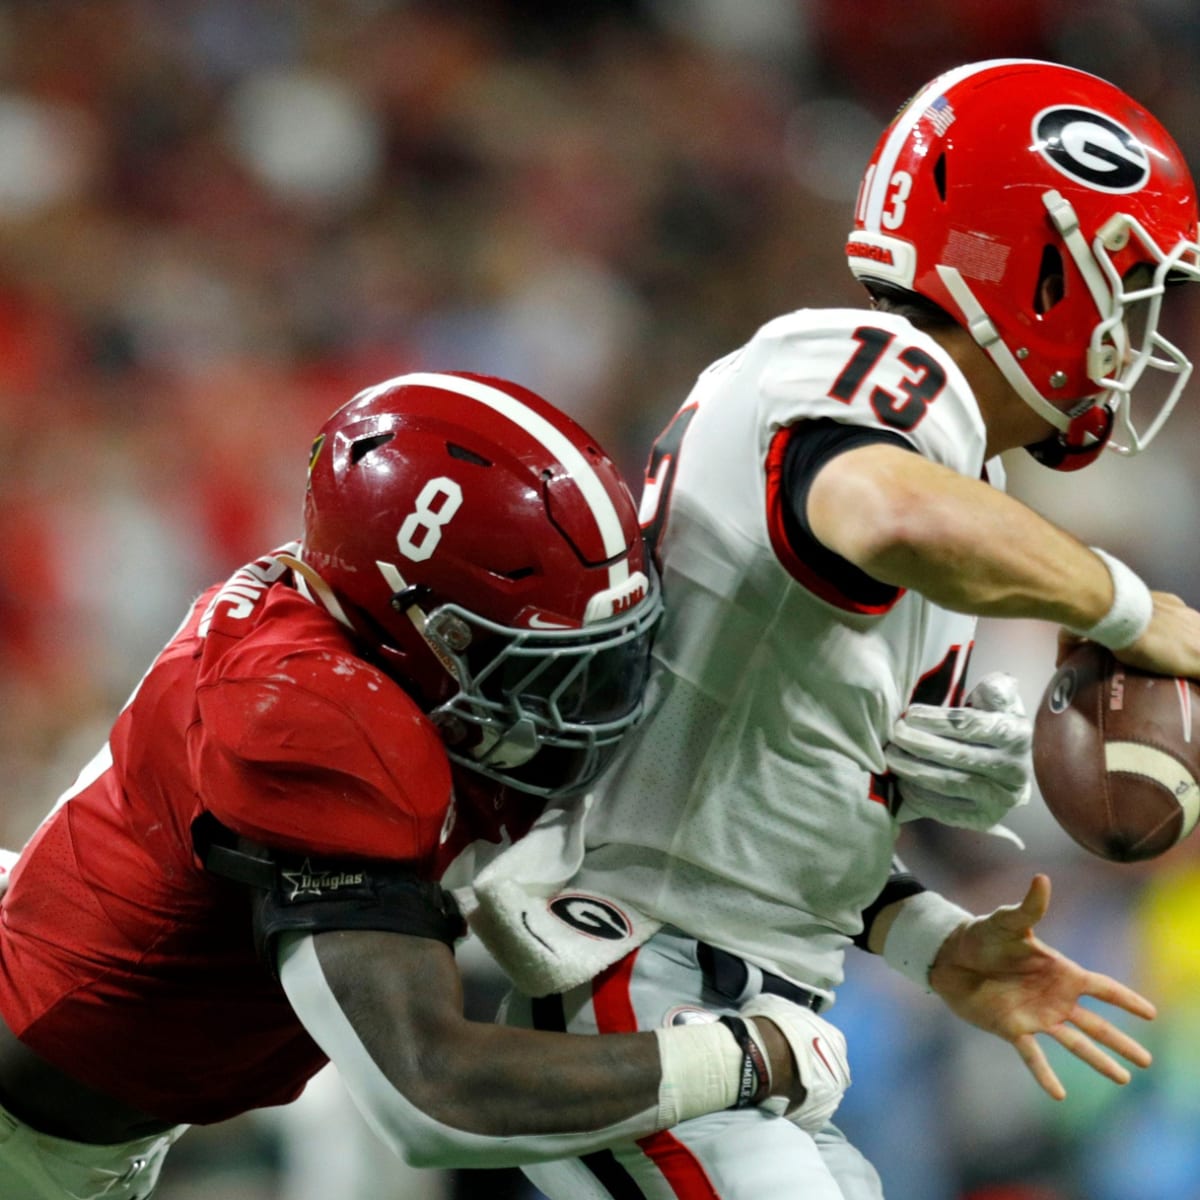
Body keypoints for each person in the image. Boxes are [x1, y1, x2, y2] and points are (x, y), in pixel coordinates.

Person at [468, 59, 1200, 1198]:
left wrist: (937, 943)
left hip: (732, 1001)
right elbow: (885, 510)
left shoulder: (958, 463)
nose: (1145, 325)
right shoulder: (868, 372)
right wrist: (1131, 603)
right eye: (1132, 281)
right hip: (647, 981)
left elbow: (773, 788)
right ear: (1044, 269)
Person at [0, 370, 851, 1200]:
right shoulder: (312, 717)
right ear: (420, 627)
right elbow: (433, 1093)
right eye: (549, 666)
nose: (595, 703)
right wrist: (741, 1058)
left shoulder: (353, 625)